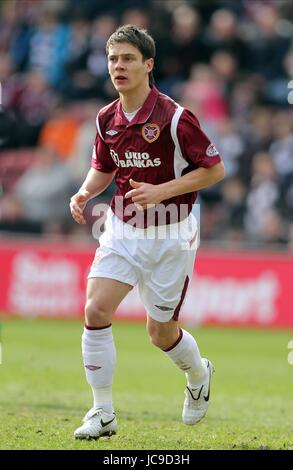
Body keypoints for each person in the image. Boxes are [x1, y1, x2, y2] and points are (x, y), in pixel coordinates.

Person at [70, 25, 225, 440]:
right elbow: (104, 167)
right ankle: (102, 412)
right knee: (95, 310)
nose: (118, 67)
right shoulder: (107, 118)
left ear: (148, 65)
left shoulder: (175, 118)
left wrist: (162, 191)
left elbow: (214, 170)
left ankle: (198, 373)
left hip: (172, 233)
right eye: (112, 59)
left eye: (127, 59)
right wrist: (85, 192)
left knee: (160, 334)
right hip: (121, 227)